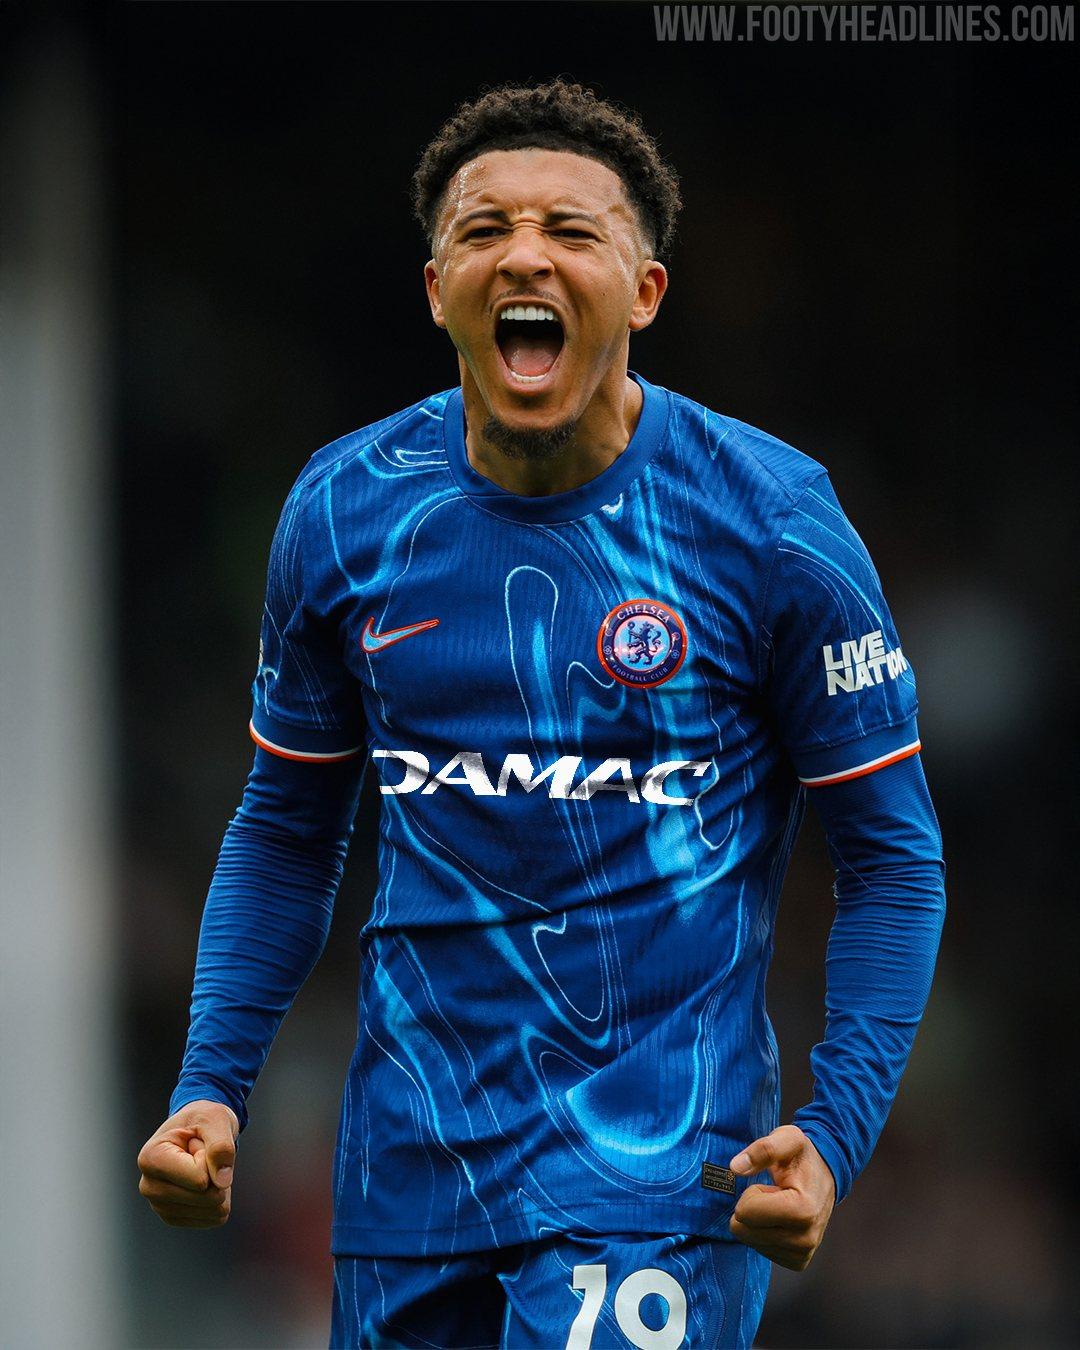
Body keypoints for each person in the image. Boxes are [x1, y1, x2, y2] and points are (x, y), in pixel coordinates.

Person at [137, 79, 945, 1348]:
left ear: (645, 291)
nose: (525, 255)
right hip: (406, 1188)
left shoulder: (772, 522)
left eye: (571, 230)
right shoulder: (344, 511)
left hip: (655, 1182)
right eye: (484, 229)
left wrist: (836, 1131)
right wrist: (211, 1090)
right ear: (436, 290)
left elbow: (893, 858)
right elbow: (287, 830)